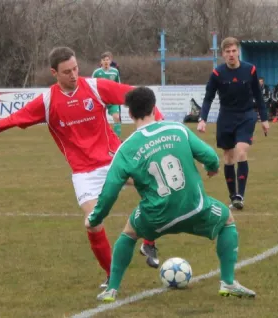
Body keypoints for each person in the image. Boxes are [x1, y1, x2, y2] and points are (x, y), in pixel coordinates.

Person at [0, 47, 164, 288]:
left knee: (158, 189)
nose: (74, 75)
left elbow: (137, 96)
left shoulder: (96, 87)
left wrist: (159, 123)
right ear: (54, 73)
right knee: (92, 223)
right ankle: (113, 275)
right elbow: (13, 119)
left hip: (114, 160)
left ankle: (148, 242)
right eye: (67, 71)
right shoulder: (47, 102)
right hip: (84, 173)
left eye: (76, 68)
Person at [86, 87, 256, 302]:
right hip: (195, 208)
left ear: (130, 114)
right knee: (227, 221)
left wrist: (96, 217)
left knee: (128, 234)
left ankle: (111, 289)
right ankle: (228, 282)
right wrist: (211, 167)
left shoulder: (125, 149)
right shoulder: (178, 129)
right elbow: (211, 157)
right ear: (154, 108)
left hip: (156, 218)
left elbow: (109, 191)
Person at [197, 37, 270, 210]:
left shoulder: (250, 70)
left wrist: (264, 119)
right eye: (227, 52)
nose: (231, 54)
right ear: (223, 54)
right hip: (226, 117)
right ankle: (233, 196)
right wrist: (202, 119)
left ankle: (240, 196)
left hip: (246, 116)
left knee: (241, 151)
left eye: (234, 51)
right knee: (228, 157)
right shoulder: (217, 74)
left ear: (238, 51)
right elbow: (208, 98)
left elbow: (258, 96)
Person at [92, 52, 123, 138]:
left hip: (112, 99)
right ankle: (99, 138)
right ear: (101, 62)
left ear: (110, 61)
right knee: (99, 121)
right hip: (100, 100)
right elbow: (91, 86)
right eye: (104, 60)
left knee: (117, 117)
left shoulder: (115, 72)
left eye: (107, 60)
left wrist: (119, 95)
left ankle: (116, 139)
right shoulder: (97, 72)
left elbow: (118, 85)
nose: (106, 61)